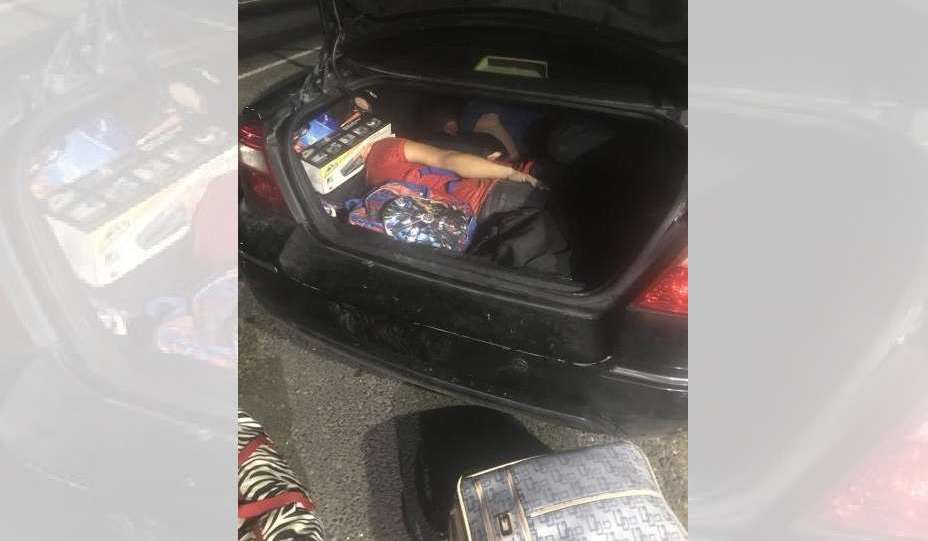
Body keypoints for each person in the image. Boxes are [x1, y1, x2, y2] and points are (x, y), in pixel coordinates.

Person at [360, 136, 544, 222]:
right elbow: (447, 160)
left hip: (463, 226)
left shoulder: (367, 190)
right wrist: (509, 173)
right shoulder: (382, 149)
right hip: (489, 195)